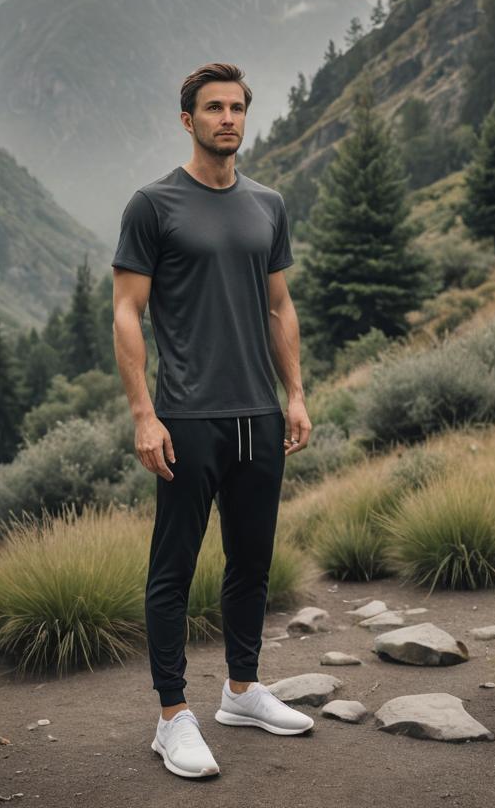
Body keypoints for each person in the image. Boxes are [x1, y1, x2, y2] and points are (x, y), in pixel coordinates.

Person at [111, 62, 314, 780]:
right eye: (213, 108)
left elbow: (280, 306)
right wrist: (144, 412)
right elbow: (127, 312)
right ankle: (172, 718)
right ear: (187, 120)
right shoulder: (154, 205)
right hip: (188, 415)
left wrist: (294, 395)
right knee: (173, 568)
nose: (227, 118)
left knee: (252, 562)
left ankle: (242, 690)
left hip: (261, 413)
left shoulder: (268, 204)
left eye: (236, 107)